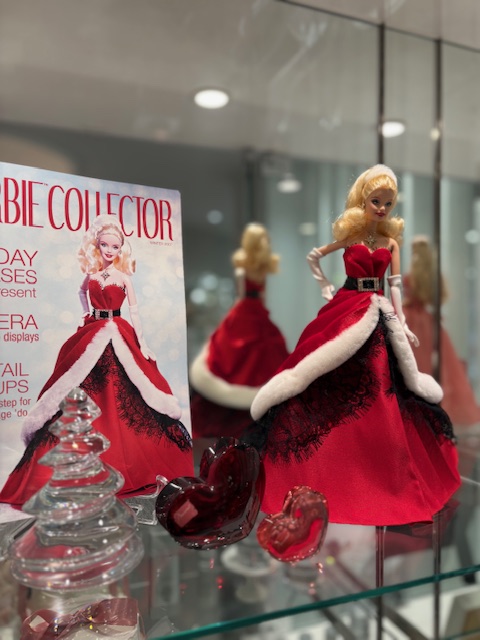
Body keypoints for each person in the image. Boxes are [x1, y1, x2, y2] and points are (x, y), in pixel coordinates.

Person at [247, 165, 461, 527]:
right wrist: (326, 288)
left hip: (377, 309)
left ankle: (381, 473)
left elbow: (395, 285)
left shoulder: (391, 243)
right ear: (363, 200)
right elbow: (314, 256)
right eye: (376, 201)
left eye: (388, 203)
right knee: (323, 369)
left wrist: (402, 322)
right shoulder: (351, 238)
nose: (382, 209)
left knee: (385, 379)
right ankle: (321, 468)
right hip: (348, 307)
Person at [0, 214, 193, 506]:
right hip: (95, 330)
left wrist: (143, 343)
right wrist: (84, 314)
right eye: (105, 245)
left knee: (126, 387)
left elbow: (135, 312)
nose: (110, 251)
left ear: (121, 249)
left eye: (115, 247)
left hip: (119, 330)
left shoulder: (123, 278)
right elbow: (81, 292)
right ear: (97, 245)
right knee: (80, 381)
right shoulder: (91, 276)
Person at [189, 222, 289, 441]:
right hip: (254, 310)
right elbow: (261, 295)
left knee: (239, 352)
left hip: (244, 309)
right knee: (262, 352)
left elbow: (242, 293)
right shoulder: (262, 269)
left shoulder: (244, 268)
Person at [403, 235, 480, 428]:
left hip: (412, 319)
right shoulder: (430, 271)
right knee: (428, 365)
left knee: (417, 363)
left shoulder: (416, 270)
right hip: (426, 321)